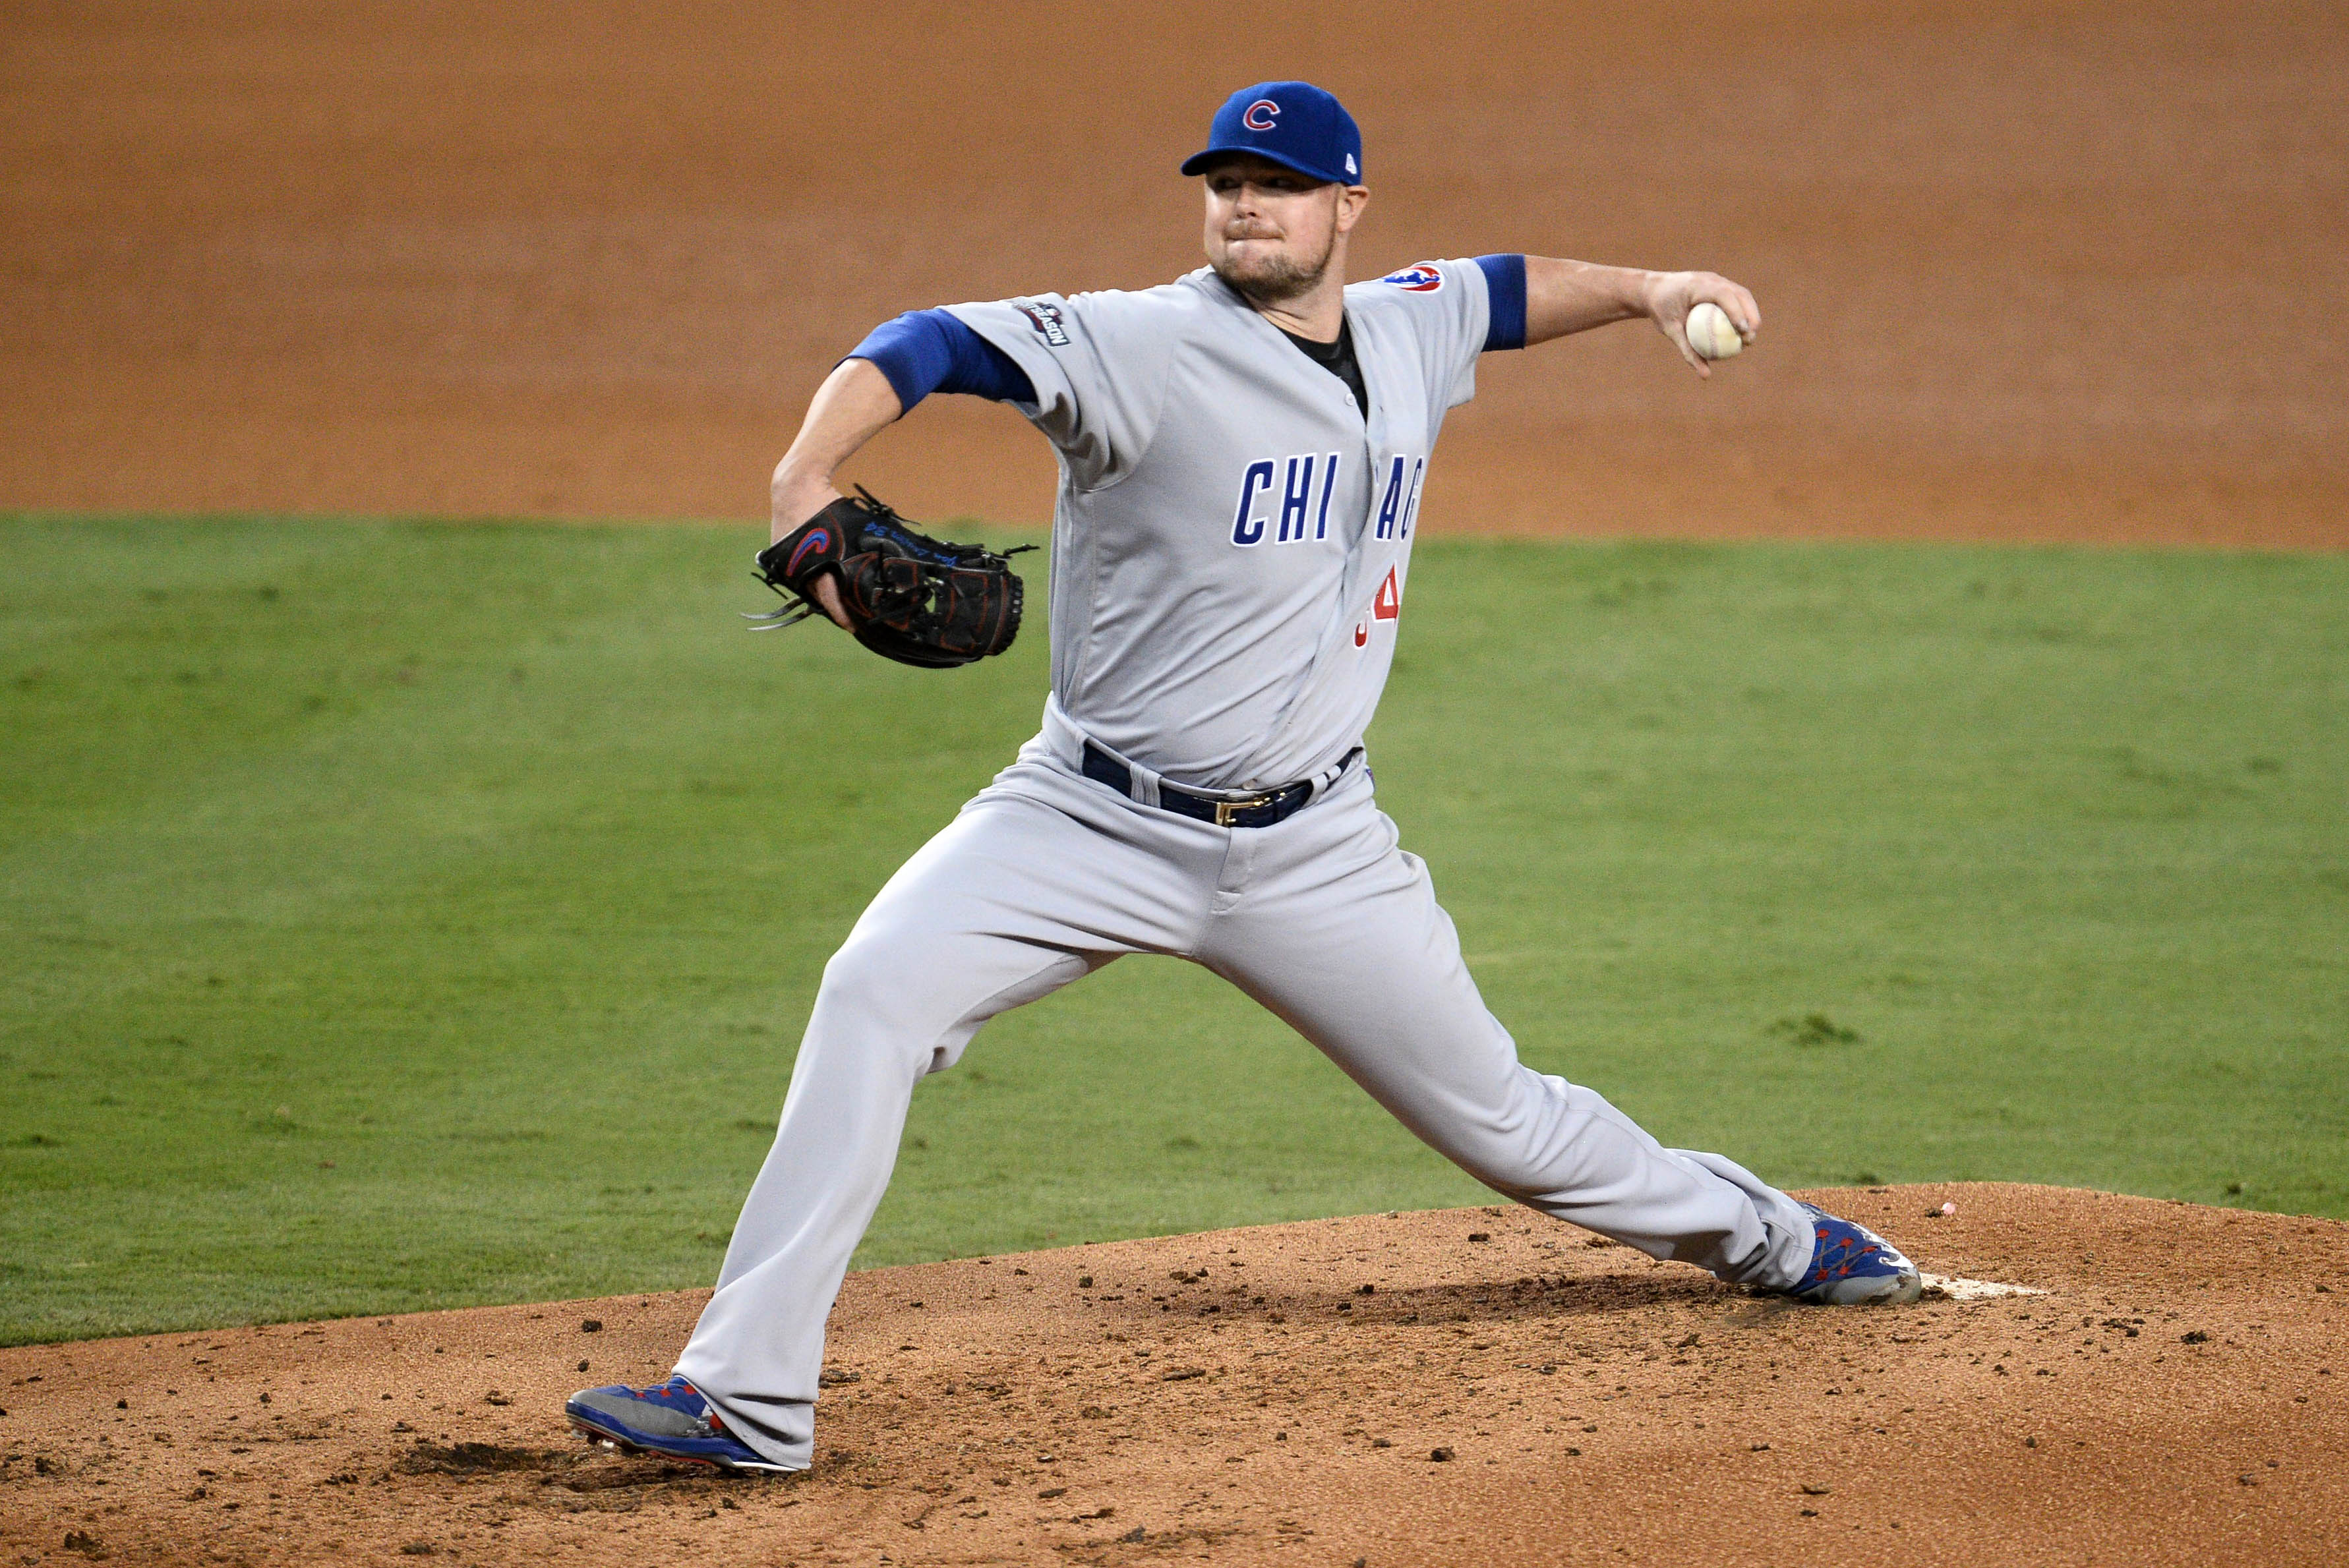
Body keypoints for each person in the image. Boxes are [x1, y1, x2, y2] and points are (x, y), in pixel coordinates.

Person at [564, 80, 1920, 1474]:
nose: (1244, 206)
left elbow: (1508, 290)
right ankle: (746, 1394)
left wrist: (1654, 289)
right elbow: (926, 342)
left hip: (1317, 847)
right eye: (1224, 184)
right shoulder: (1139, 341)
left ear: (1348, 206)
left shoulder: (1407, 320)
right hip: (1085, 814)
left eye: (1275, 184)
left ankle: (1778, 1237)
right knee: (870, 990)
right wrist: (808, 468)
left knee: (1510, 1124)